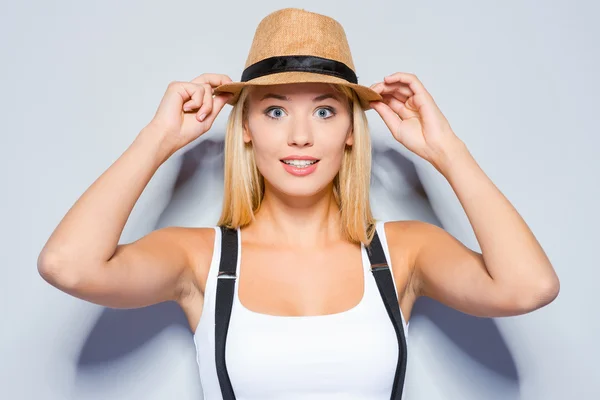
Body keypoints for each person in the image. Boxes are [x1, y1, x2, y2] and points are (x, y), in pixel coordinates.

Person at [37, 7, 560, 400]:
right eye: (276, 111)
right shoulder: (202, 259)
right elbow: (68, 266)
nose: (302, 137)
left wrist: (448, 151)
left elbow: (528, 286)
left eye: (327, 111)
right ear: (244, 128)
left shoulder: (400, 252)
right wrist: (157, 139)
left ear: (353, 130)